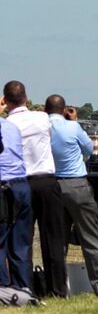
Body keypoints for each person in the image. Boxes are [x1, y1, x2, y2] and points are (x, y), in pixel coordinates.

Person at [2, 81, 67, 297]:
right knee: (54, 239)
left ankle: (25, 286)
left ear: (5, 100)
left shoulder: (9, 124)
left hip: (22, 181)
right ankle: (57, 288)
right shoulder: (42, 118)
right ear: (26, 97)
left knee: (23, 239)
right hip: (47, 180)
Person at [45, 94, 98, 297]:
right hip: (77, 184)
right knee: (92, 239)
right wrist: (74, 121)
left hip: (53, 185)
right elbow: (89, 149)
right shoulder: (73, 127)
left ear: (45, 110)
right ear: (64, 110)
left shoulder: (42, 127)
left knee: (57, 241)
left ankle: (57, 289)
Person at [0, 113, 33, 292]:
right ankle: (23, 289)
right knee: (20, 243)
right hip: (21, 183)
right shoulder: (12, 126)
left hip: (3, 184)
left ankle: (3, 289)